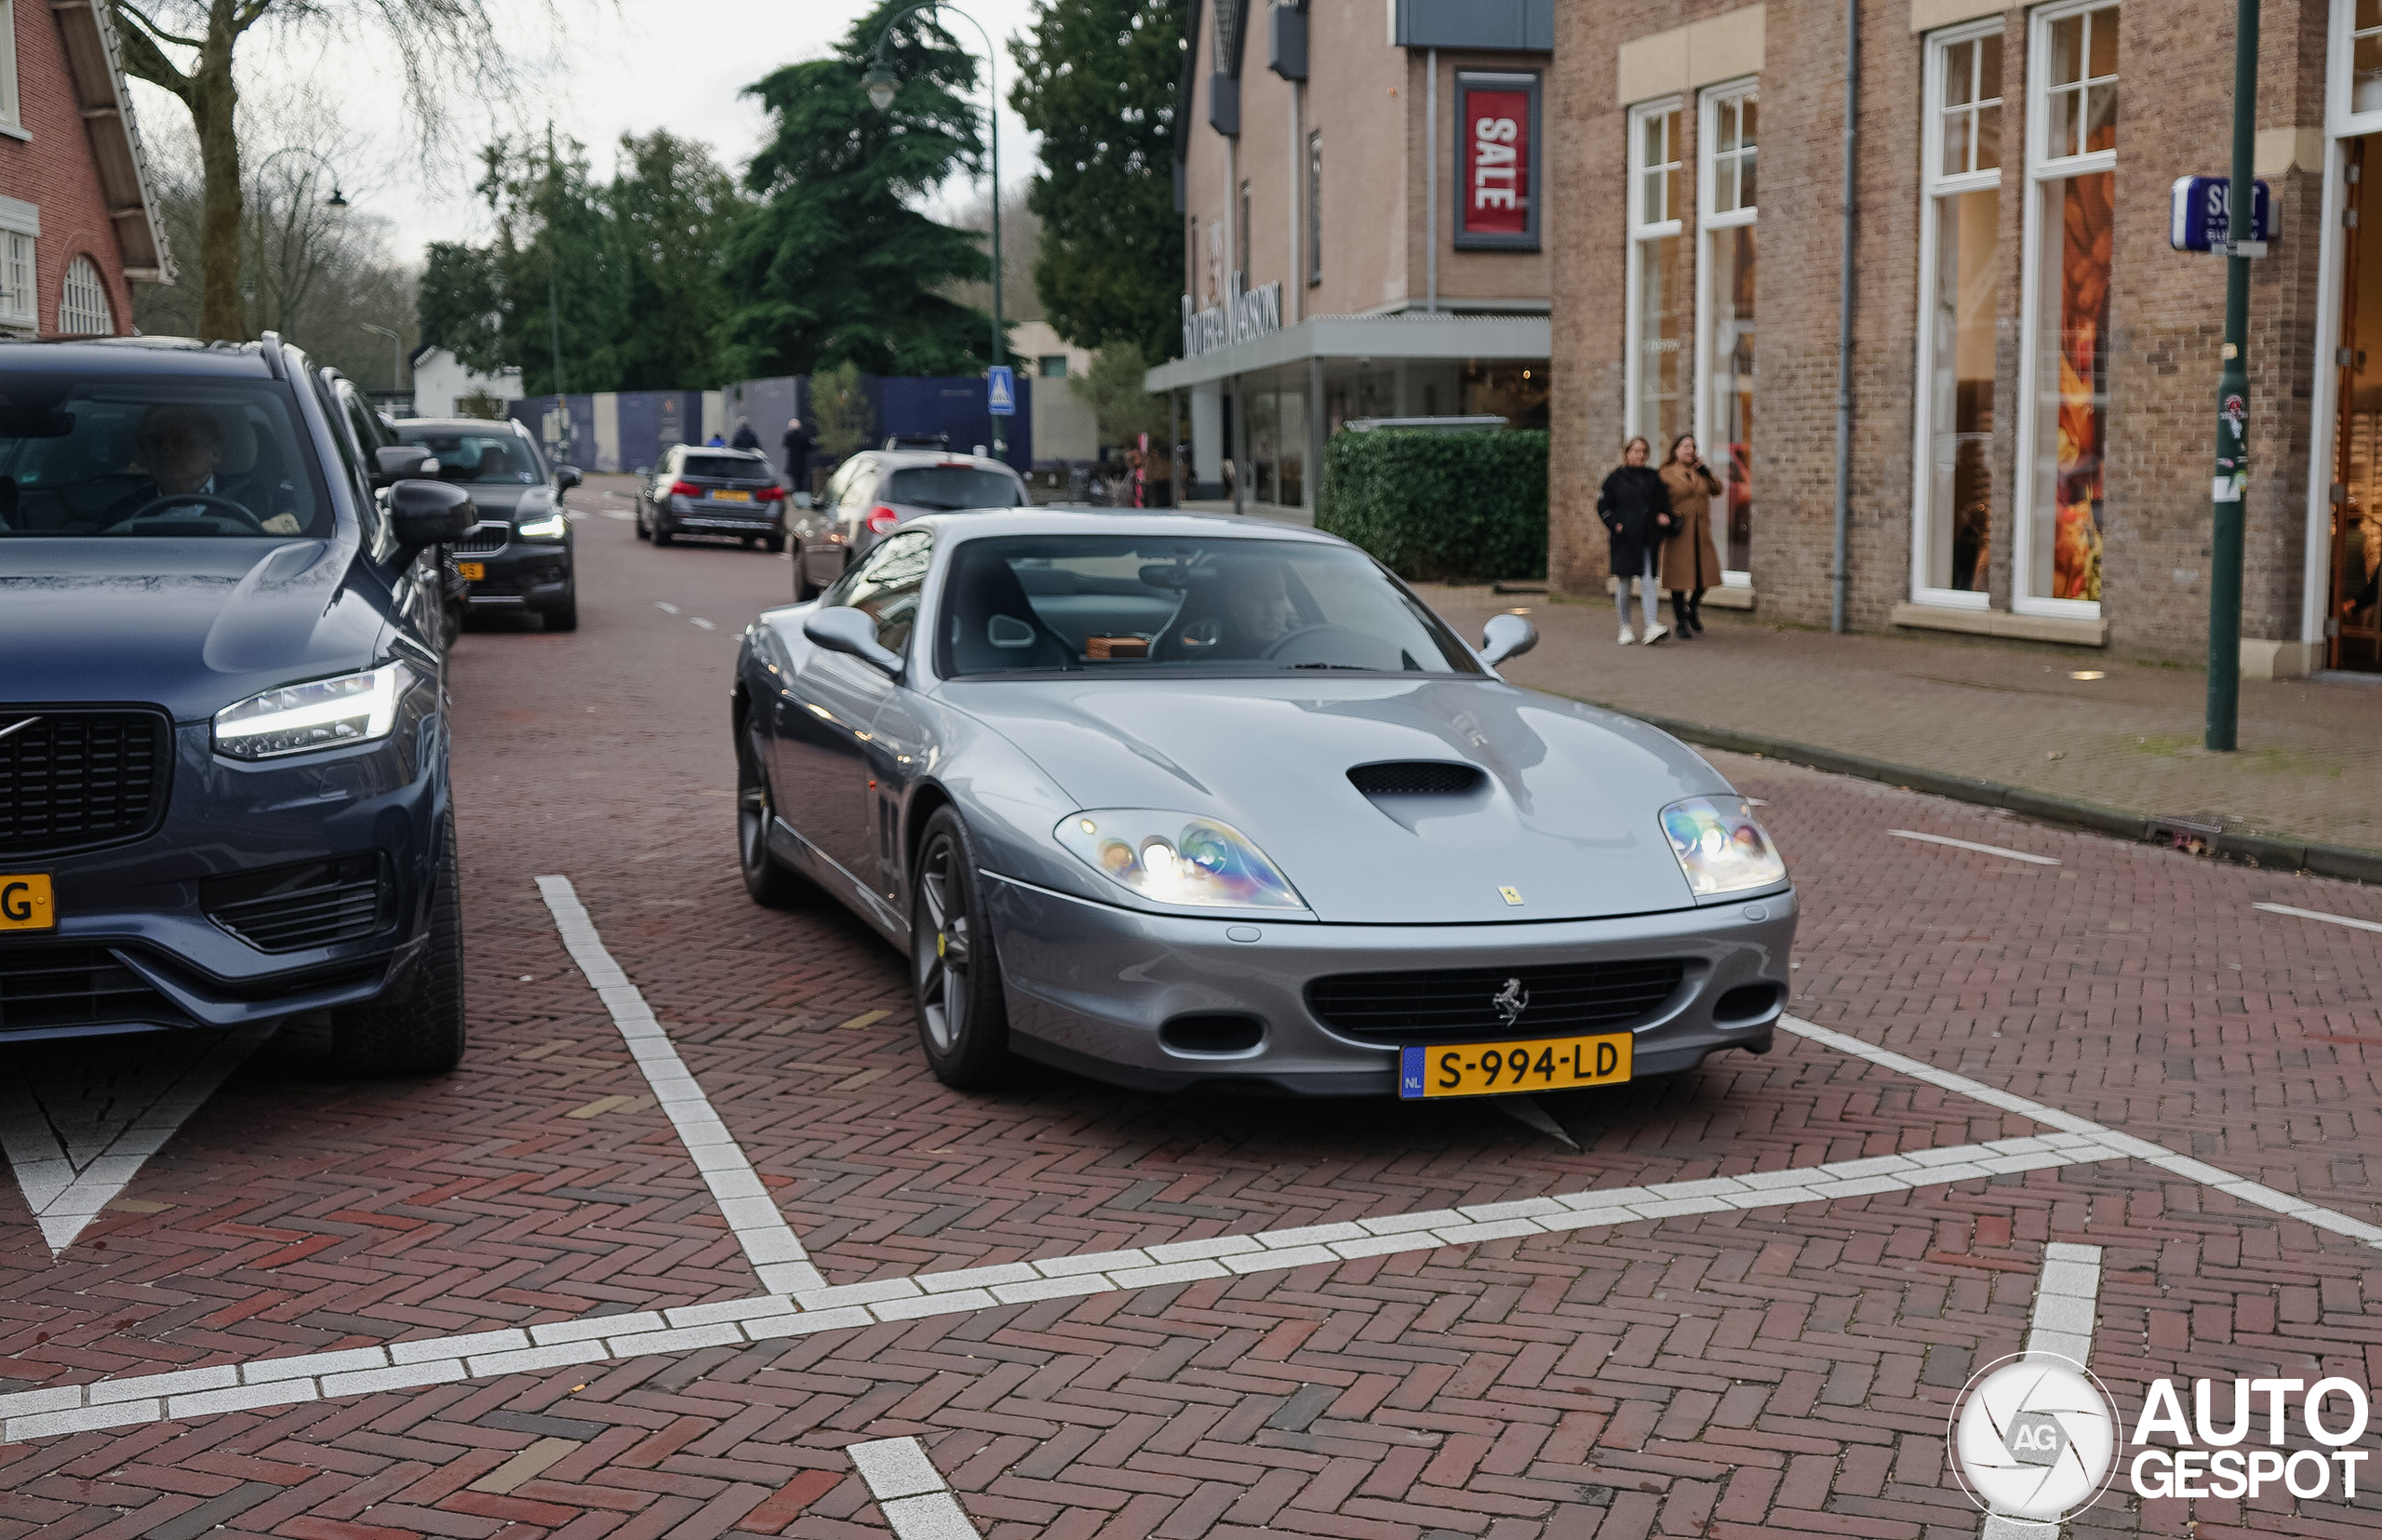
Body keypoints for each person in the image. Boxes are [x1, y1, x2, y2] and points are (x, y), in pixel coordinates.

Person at [1597, 436, 1671, 645]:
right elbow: (1603, 507)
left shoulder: (1653, 477)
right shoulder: (1616, 478)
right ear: (1627, 453)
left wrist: (1663, 515)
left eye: (1644, 452)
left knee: (1648, 581)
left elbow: (1663, 503)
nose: (1640, 455)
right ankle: (1625, 626)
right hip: (1625, 539)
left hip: (1646, 538)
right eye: (1636, 451)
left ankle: (1651, 625)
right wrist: (1616, 524)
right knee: (1625, 584)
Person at [1657, 433, 1725, 638]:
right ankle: (1681, 621)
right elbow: (1656, 499)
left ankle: (1691, 608)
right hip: (1678, 533)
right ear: (1675, 450)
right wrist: (1662, 515)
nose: (1690, 450)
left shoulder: (1700, 473)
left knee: (1706, 575)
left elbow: (1717, 489)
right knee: (1679, 579)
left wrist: (1704, 469)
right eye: (1685, 446)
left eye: (1693, 446)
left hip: (1700, 532)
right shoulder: (1665, 473)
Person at [782, 416, 814, 490]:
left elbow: (785, 445)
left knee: (794, 480)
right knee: (801, 480)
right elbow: (810, 447)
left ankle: (796, 491)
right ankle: (800, 492)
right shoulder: (803, 436)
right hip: (802, 462)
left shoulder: (788, 436)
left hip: (793, 462)